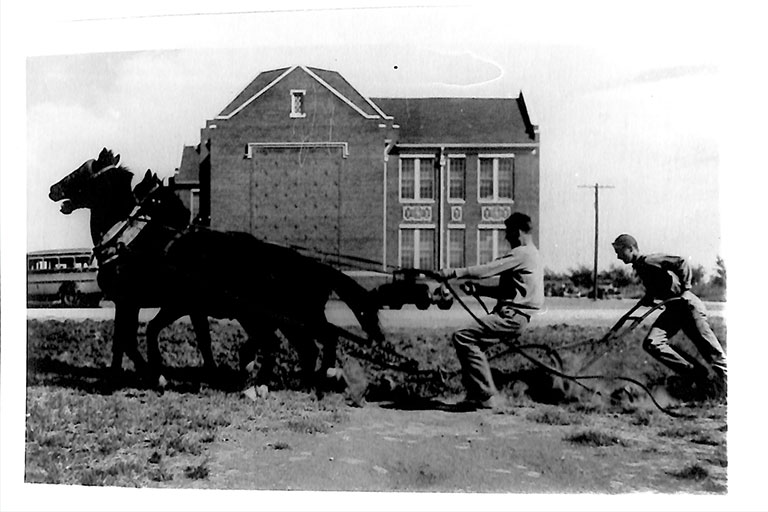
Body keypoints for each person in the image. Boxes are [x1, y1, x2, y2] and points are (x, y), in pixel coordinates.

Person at [440, 212, 544, 410]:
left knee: (463, 337)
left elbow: (487, 269)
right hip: (515, 316)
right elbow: (506, 291)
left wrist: (453, 273)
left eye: (508, 232)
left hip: (512, 318)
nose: (506, 237)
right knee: (471, 343)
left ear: (518, 231)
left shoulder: (522, 253)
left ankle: (486, 396)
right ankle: (476, 394)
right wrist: (479, 290)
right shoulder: (532, 255)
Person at [611, 234, 727, 392]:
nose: (617, 256)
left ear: (630, 249)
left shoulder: (648, 260)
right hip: (674, 309)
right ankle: (697, 375)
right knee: (652, 343)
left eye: (619, 251)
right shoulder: (640, 267)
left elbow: (681, 262)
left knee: (710, 351)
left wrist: (686, 289)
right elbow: (660, 284)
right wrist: (650, 297)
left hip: (688, 306)